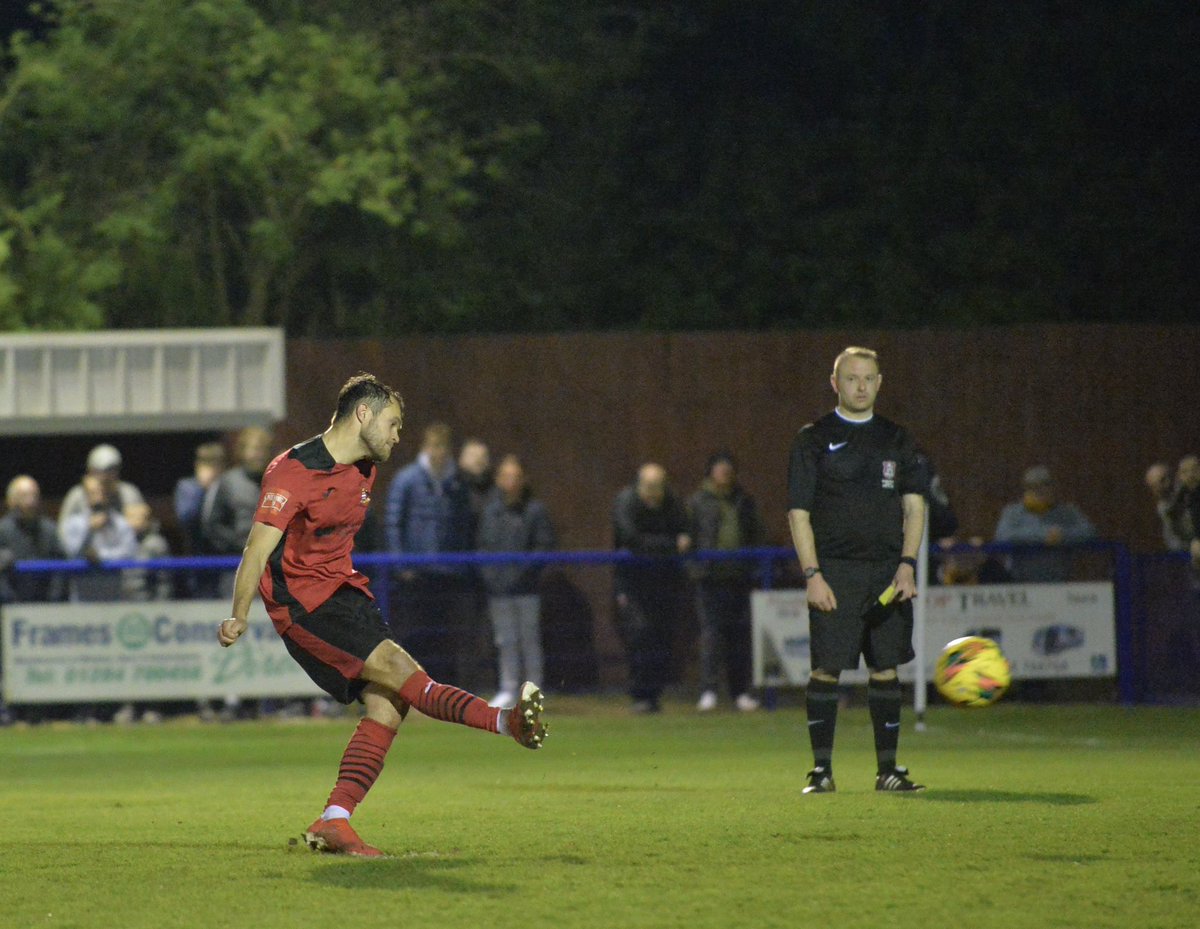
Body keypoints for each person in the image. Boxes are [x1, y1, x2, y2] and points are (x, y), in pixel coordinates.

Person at [217, 373, 546, 858]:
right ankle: (506, 723)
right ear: (363, 415)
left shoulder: (366, 468)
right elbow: (256, 549)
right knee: (404, 673)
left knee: (390, 704)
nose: (398, 435)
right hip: (303, 605)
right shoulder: (292, 470)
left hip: (347, 594)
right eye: (393, 423)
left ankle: (334, 820)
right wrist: (238, 614)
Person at [787, 346, 929, 794]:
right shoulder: (813, 438)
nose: (861, 386)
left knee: (885, 668)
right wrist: (813, 575)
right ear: (835, 383)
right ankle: (821, 771)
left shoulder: (897, 439)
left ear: (880, 383)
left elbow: (915, 506)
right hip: (836, 572)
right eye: (852, 378)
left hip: (887, 574)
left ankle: (888, 771)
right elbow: (798, 513)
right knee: (826, 669)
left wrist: (907, 566)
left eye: (869, 378)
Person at [384, 423, 477, 685]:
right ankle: (416, 688)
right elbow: (393, 521)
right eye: (434, 446)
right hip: (416, 572)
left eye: (443, 446)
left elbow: (464, 523)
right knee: (416, 633)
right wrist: (401, 562)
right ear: (425, 447)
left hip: (449, 571)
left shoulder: (457, 481)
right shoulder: (407, 479)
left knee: (447, 635)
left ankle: (444, 690)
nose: (439, 452)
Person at [688, 451, 764, 713]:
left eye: (728, 470)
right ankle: (708, 691)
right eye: (720, 469)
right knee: (711, 636)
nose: (724, 474)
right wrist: (695, 569)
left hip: (738, 579)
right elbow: (688, 537)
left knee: (738, 637)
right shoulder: (698, 501)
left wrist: (752, 566)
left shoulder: (743, 500)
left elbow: (755, 532)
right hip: (710, 580)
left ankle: (739, 692)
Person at [477, 454, 556, 707]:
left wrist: (521, 575)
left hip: (526, 588)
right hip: (498, 590)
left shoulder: (535, 511)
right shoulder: (491, 511)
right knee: (505, 640)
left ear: (524, 480)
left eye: (515, 476)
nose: (511, 481)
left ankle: (533, 690)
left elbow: (542, 547)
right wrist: (494, 579)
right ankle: (508, 688)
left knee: (529, 638)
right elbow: (483, 546)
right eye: (506, 476)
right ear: (499, 479)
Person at [612, 462, 691, 714]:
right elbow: (630, 538)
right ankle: (640, 694)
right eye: (649, 486)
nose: (654, 491)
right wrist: (670, 545)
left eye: (658, 486)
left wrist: (665, 544)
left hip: (665, 581)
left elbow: (687, 532)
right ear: (638, 484)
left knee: (662, 637)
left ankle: (654, 695)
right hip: (632, 582)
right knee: (640, 634)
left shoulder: (672, 502)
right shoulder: (626, 502)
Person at [993, 465, 1097, 582]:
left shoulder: (1068, 511)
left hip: (1059, 581)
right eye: (1033, 487)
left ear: (1053, 487)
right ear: (1025, 489)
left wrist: (1062, 535)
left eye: (1045, 485)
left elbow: (1089, 532)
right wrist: (1043, 535)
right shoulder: (1013, 512)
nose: (1039, 490)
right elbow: (1002, 536)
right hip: (1021, 581)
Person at [202, 427, 274, 597]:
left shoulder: (282, 481)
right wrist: (242, 546)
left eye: (264, 449)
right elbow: (212, 526)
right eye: (254, 449)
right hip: (236, 567)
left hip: (275, 570)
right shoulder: (228, 483)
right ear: (242, 451)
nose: (259, 455)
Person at [59, 473, 139, 602]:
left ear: (109, 494)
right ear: (86, 495)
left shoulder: (120, 524)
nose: (98, 497)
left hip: (113, 597)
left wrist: (101, 556)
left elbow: (129, 553)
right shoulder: (74, 524)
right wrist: (89, 530)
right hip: (82, 598)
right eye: (93, 493)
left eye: (102, 492)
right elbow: (70, 553)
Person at [0, 475, 67, 605]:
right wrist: (9, 602)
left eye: (34, 495)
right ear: (11, 501)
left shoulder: (49, 530)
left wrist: (54, 600)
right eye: (24, 496)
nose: (31, 501)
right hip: (10, 608)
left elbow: (61, 567)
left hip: (46, 607)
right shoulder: (2, 531)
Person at [57, 443, 145, 537]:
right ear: (90, 471)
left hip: (122, 542)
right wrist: (88, 526)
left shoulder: (129, 492)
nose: (105, 477)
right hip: (87, 546)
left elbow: (140, 524)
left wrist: (137, 523)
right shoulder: (76, 495)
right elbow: (63, 531)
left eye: (111, 470)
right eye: (99, 471)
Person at [174, 441, 227, 597]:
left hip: (225, 558)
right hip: (197, 558)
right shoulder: (187, 487)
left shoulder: (229, 487)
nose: (211, 468)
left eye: (215, 463)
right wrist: (202, 489)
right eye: (206, 462)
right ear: (197, 464)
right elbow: (186, 518)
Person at [458, 437, 495, 521]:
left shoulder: (497, 493)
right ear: (461, 460)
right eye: (473, 455)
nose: (478, 460)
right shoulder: (452, 491)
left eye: (483, 456)